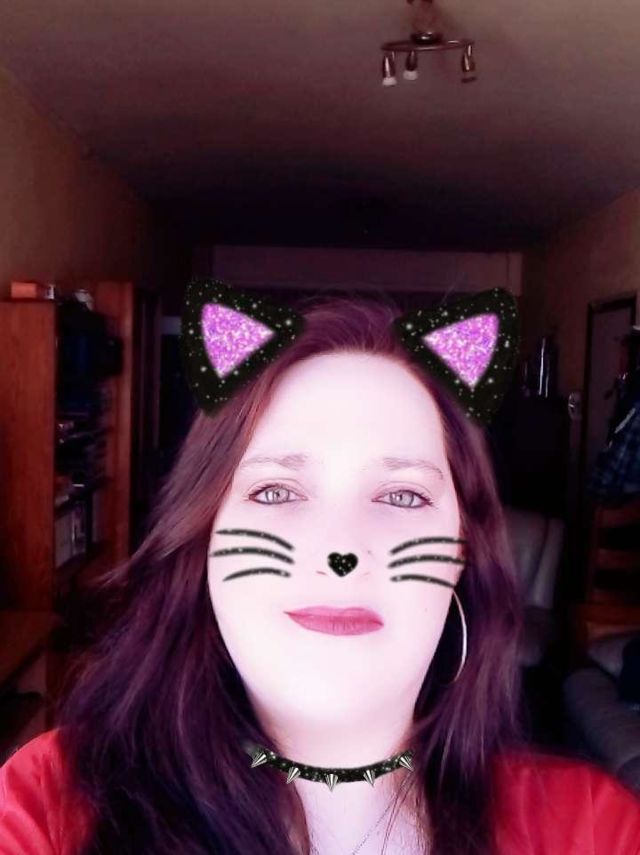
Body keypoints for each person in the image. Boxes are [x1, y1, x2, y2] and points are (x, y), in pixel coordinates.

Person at [1, 286, 639, 855]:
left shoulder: (594, 829)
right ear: (203, 542)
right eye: (276, 491)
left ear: (461, 553)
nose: (341, 551)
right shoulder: (46, 806)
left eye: (402, 496)